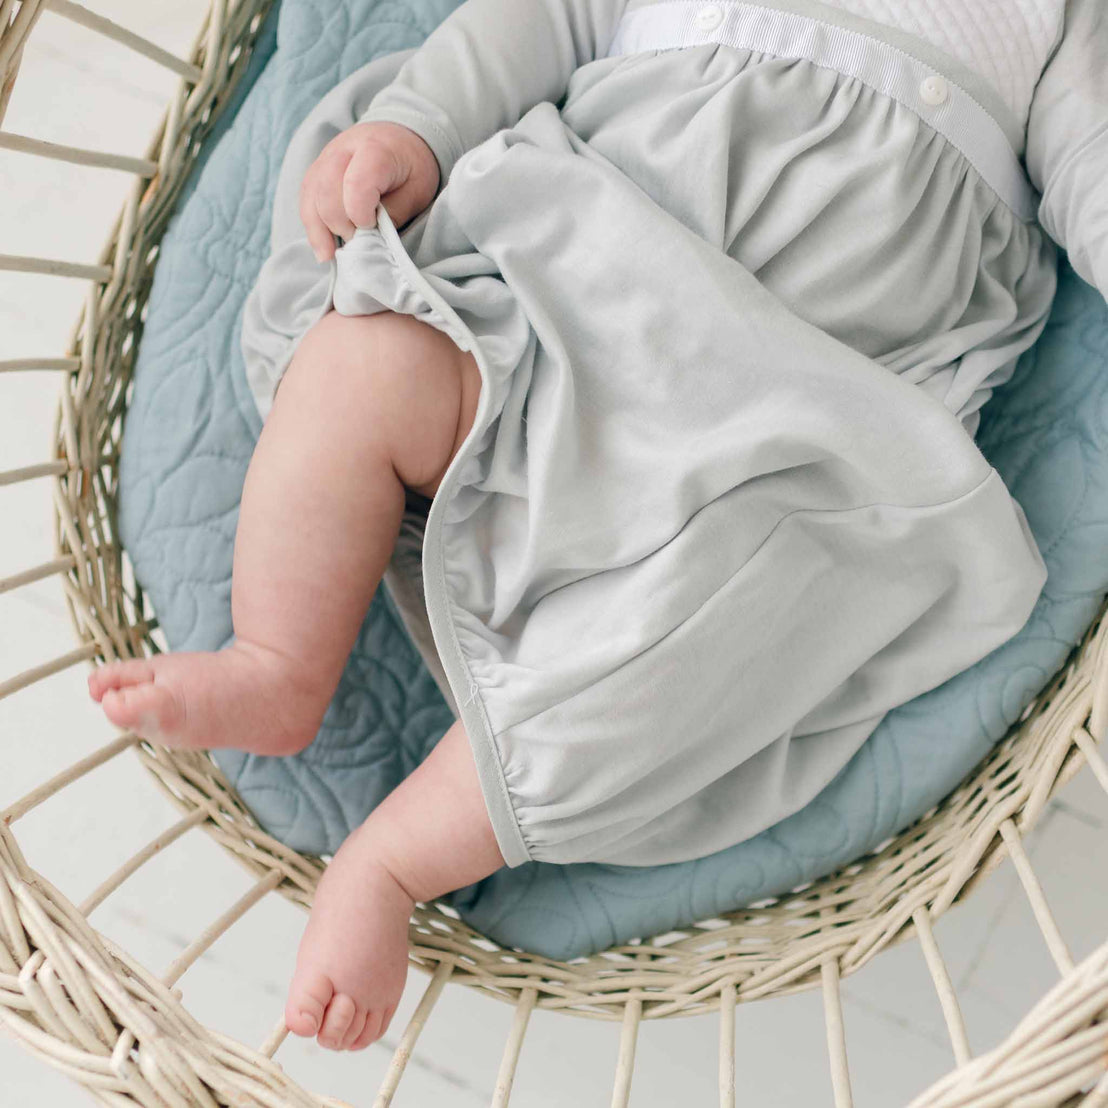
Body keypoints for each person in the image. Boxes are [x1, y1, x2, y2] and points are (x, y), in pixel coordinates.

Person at [89, 0, 1106, 1053]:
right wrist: (419, 130)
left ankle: (393, 857)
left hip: (794, 430)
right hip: (564, 299)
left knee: (692, 663)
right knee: (362, 364)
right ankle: (280, 658)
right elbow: (540, 21)